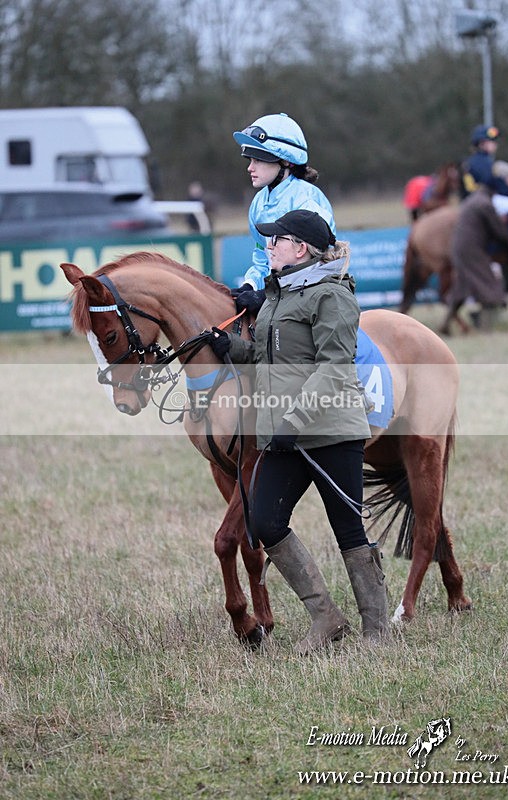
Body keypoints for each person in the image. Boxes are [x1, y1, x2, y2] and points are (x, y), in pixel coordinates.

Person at [208, 210, 389, 654]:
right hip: (284, 435)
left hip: (331, 431)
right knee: (264, 520)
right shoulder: (277, 294)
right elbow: (275, 360)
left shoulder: (332, 297)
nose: (268, 247)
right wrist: (232, 347)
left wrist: (294, 421)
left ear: (301, 248)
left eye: (277, 240)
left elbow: (332, 369)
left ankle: (378, 632)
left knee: (347, 528)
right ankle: (326, 618)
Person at [232, 113, 335, 315]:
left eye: (258, 160)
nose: (250, 168)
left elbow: (319, 264)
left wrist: (268, 294)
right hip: (278, 299)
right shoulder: (258, 203)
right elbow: (262, 257)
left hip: (314, 304)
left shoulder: (307, 201)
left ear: (286, 162)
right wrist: (251, 285)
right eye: (249, 159)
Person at [443, 183, 508, 333]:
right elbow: (501, 233)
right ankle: (484, 327)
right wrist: (506, 226)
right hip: (472, 250)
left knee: (461, 287)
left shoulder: (473, 200)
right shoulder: (485, 204)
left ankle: (445, 325)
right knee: (490, 287)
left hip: (459, 249)